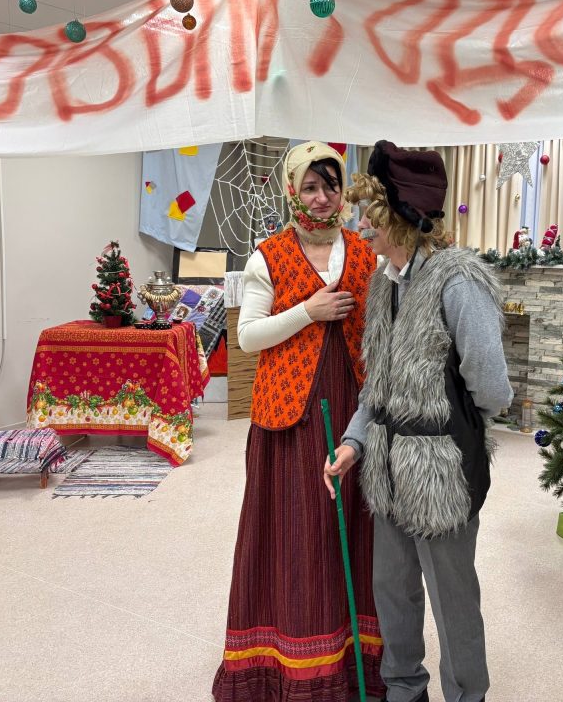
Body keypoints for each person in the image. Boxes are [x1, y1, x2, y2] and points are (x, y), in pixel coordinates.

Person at [324, 141, 513, 702]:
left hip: (441, 473)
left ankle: (466, 695)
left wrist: (446, 433)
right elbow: (377, 383)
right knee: (393, 590)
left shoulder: (459, 281)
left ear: (401, 217)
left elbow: (492, 387)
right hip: (387, 469)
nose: (359, 226)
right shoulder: (384, 282)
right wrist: (355, 440)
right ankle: (404, 690)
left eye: (369, 215)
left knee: (453, 599)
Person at [213, 141, 384, 702]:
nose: (321, 197)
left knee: (352, 533)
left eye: (330, 185)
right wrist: (308, 312)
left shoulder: (364, 253)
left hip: (352, 406)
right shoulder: (267, 257)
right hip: (290, 417)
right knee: (296, 535)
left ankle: (353, 656)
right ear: (292, 191)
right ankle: (291, 660)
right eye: (309, 187)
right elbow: (247, 336)